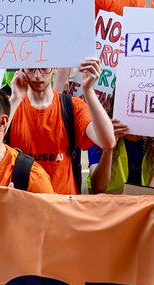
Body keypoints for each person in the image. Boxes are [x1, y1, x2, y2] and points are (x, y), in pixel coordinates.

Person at [6, 59, 115, 194]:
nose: (37, 76)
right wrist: (15, 98)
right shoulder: (11, 106)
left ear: (55, 68)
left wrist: (88, 90)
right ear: (21, 70)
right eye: (31, 69)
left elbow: (108, 143)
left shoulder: (73, 106)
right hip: (24, 204)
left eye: (44, 68)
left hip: (63, 206)